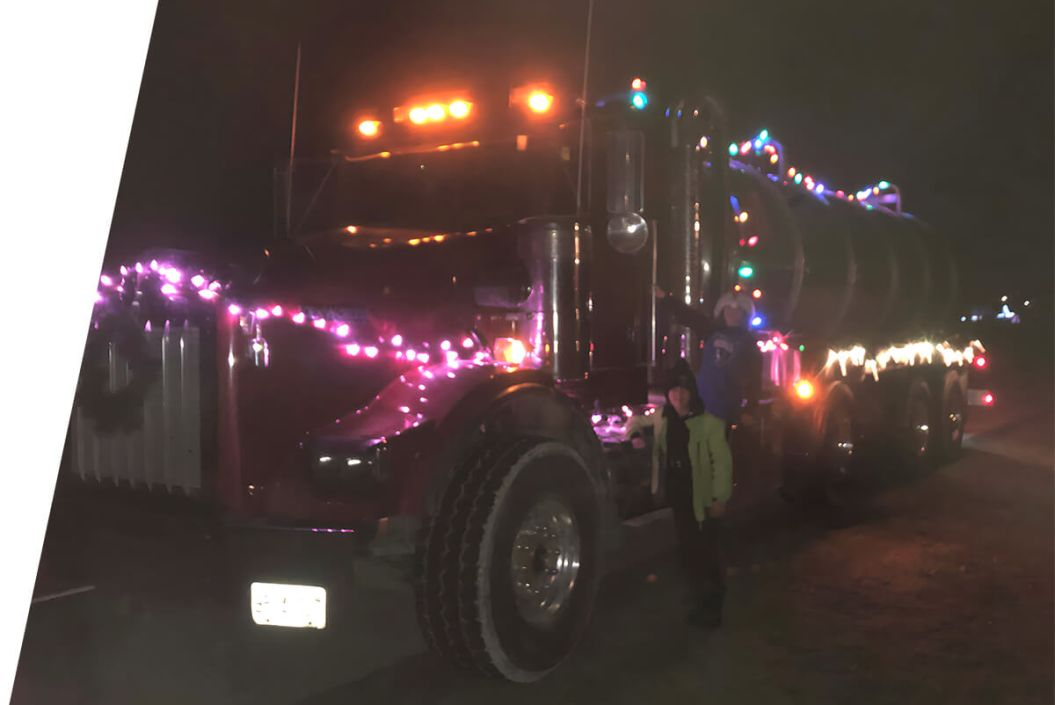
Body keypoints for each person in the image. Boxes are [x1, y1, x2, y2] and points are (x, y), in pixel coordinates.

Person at [646, 358, 733, 628]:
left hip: (702, 498)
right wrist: (634, 434)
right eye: (673, 389)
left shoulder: (710, 424)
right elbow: (636, 422)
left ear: (692, 392)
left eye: (683, 390)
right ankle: (698, 601)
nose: (678, 395)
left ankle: (713, 608)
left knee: (707, 553)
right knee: (688, 552)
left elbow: (722, 463)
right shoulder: (664, 418)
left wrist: (720, 498)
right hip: (679, 496)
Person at [696, 291, 762, 428]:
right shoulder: (711, 332)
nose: (732, 313)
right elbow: (690, 317)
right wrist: (666, 298)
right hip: (703, 407)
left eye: (737, 310)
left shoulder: (749, 343)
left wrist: (750, 409)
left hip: (729, 410)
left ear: (745, 315)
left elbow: (755, 378)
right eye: (728, 309)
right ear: (722, 311)